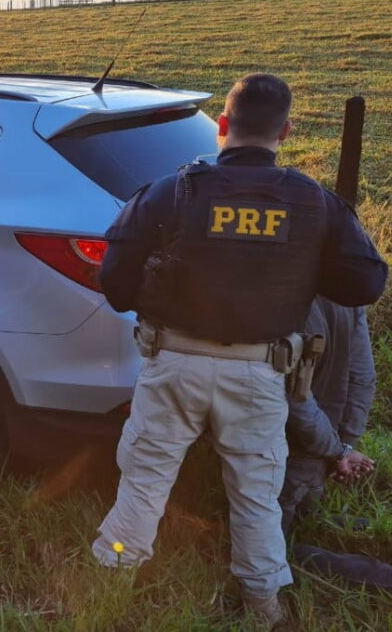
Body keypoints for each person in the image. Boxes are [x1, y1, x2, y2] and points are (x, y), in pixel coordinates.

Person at [90, 73, 387, 626]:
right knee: (255, 497)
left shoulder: (172, 190)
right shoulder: (314, 202)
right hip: (259, 375)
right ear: (287, 130)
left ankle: (112, 581)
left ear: (223, 126)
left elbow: (114, 281)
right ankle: (264, 605)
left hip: (171, 365)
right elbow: (365, 284)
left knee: (146, 481)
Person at [282, 297, 392, 590]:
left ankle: (381, 576)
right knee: (306, 516)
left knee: (266, 549)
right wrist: (345, 444)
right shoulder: (347, 284)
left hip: (289, 457)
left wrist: (339, 450)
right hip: (318, 462)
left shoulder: (286, 287)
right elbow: (363, 376)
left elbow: (294, 400)